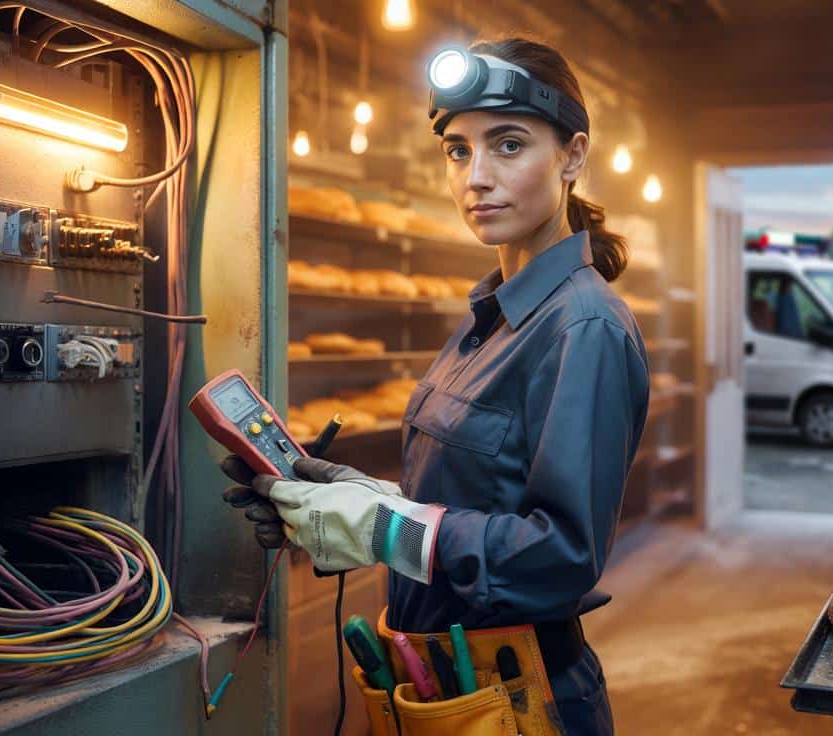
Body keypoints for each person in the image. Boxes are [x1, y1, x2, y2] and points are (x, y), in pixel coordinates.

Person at [223, 36, 649, 735]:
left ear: (573, 156)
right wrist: (361, 499)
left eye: (508, 145)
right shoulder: (491, 316)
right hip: (438, 688)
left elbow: (561, 558)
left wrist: (387, 531)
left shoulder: (584, 326)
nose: (475, 176)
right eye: (458, 149)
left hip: (519, 702)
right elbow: (480, 497)